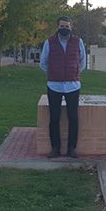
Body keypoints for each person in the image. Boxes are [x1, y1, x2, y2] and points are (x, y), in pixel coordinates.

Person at [40, 16, 86, 158]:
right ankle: (55, 149)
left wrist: (74, 72)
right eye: (62, 26)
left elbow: (83, 61)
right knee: (54, 118)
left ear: (71, 27)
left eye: (67, 26)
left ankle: (72, 148)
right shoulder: (50, 42)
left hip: (73, 85)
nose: (64, 29)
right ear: (57, 27)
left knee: (73, 118)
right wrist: (54, 73)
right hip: (54, 85)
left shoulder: (78, 42)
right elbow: (43, 62)